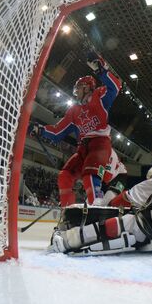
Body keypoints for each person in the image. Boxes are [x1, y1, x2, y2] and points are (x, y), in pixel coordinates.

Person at [30, 52, 121, 207]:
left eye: (79, 88)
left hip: (100, 144)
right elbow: (58, 132)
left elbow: (116, 87)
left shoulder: (100, 96)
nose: (76, 91)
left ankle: (95, 214)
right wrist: (40, 129)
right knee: (64, 176)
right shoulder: (73, 111)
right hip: (83, 148)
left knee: (90, 177)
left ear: (87, 88)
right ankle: (67, 215)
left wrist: (101, 70)